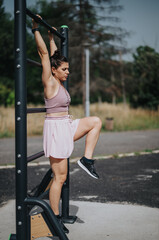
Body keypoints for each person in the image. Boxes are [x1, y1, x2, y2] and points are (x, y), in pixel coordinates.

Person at [32, 17, 102, 233]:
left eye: (67, 69)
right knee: (59, 178)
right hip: (56, 131)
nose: (67, 72)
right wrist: (35, 29)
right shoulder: (50, 82)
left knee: (95, 121)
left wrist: (52, 37)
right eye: (65, 69)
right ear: (54, 71)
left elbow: (53, 56)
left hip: (66, 125)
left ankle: (87, 160)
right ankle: (54, 220)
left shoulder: (59, 81)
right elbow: (45, 56)